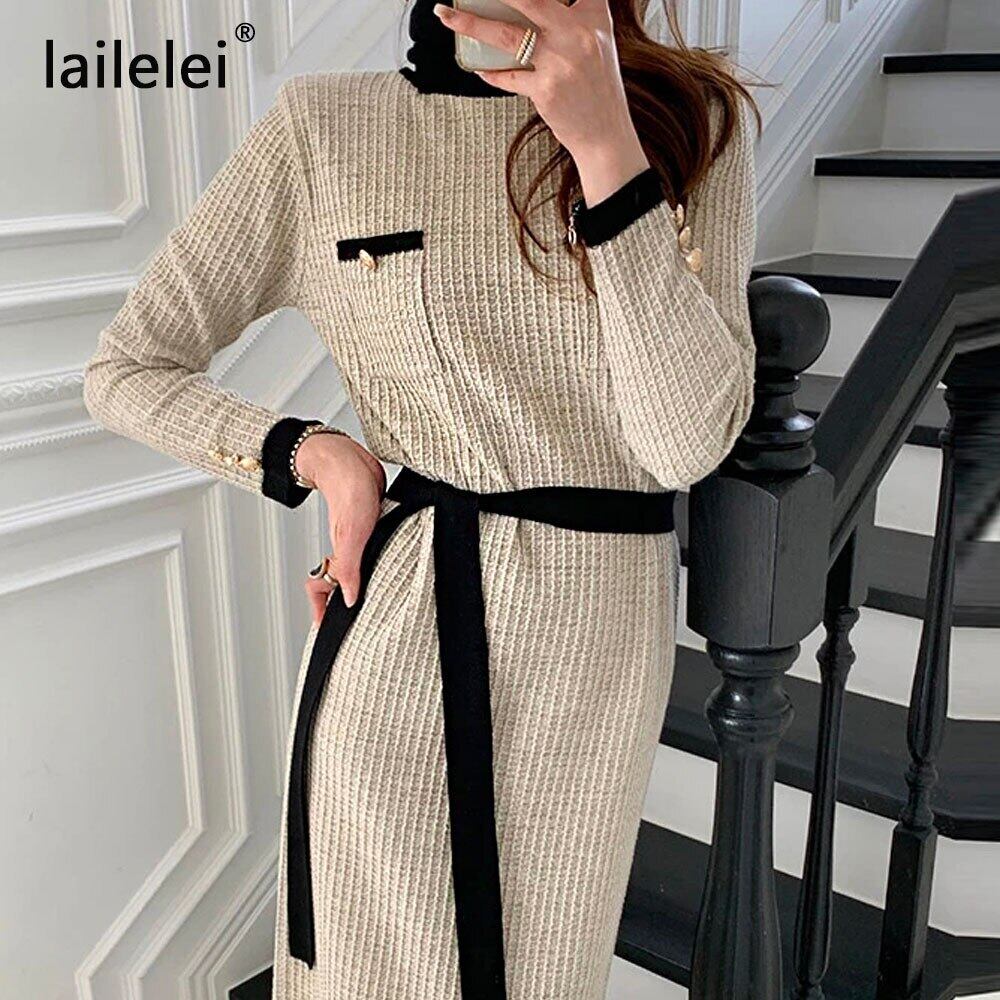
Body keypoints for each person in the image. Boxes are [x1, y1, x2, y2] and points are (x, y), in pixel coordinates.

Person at [83, 0, 759, 996]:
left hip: (593, 652)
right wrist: (314, 454)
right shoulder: (327, 128)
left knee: (547, 967)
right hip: (398, 644)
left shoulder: (691, 116)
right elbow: (128, 368)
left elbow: (684, 442)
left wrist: (605, 146)